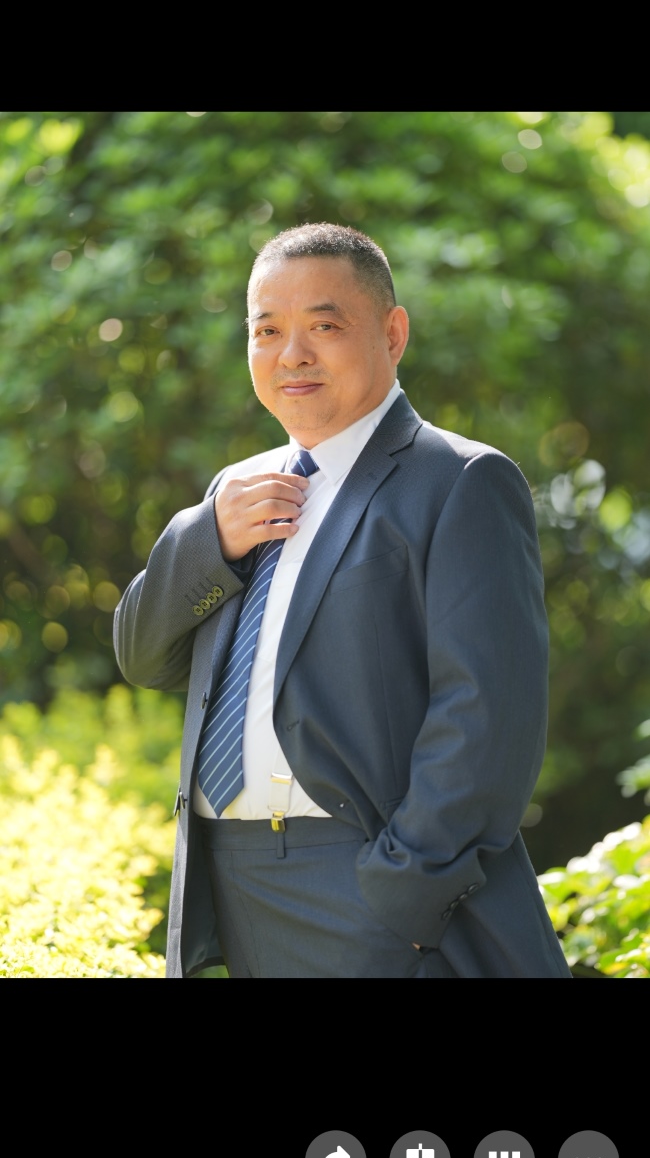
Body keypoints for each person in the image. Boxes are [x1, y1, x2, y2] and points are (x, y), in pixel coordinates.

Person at [114, 222, 572, 979]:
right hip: (233, 884)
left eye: (323, 326)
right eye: (267, 330)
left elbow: (488, 715)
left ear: (392, 334)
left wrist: (402, 892)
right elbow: (141, 656)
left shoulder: (461, 481)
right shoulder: (237, 491)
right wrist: (206, 537)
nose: (291, 354)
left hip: (368, 890)